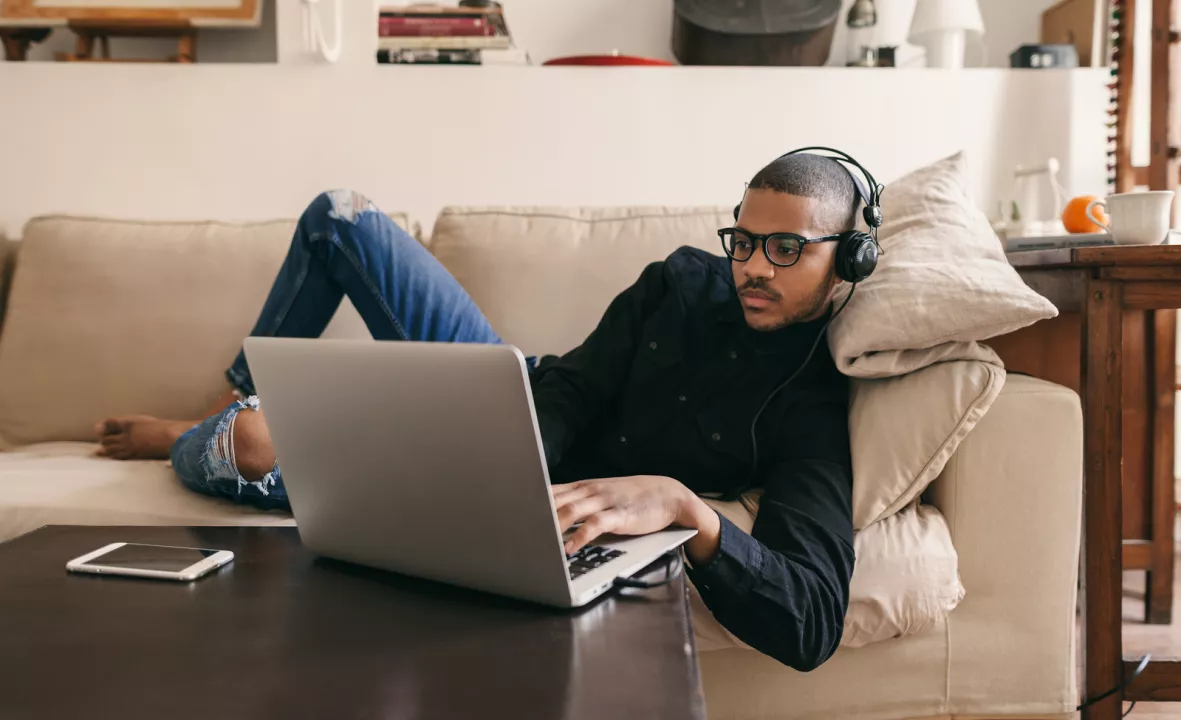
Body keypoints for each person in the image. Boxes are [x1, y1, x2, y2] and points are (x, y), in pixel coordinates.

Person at [95, 151, 860, 672]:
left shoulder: (812, 401)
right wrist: (494, 442)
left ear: (847, 262)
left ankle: (195, 437)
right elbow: (575, 387)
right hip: (511, 399)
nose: (754, 268)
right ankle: (230, 396)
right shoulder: (681, 283)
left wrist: (687, 509)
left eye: (787, 249)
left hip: (518, 476)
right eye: (746, 241)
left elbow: (814, 620)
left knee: (256, 445)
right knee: (342, 212)